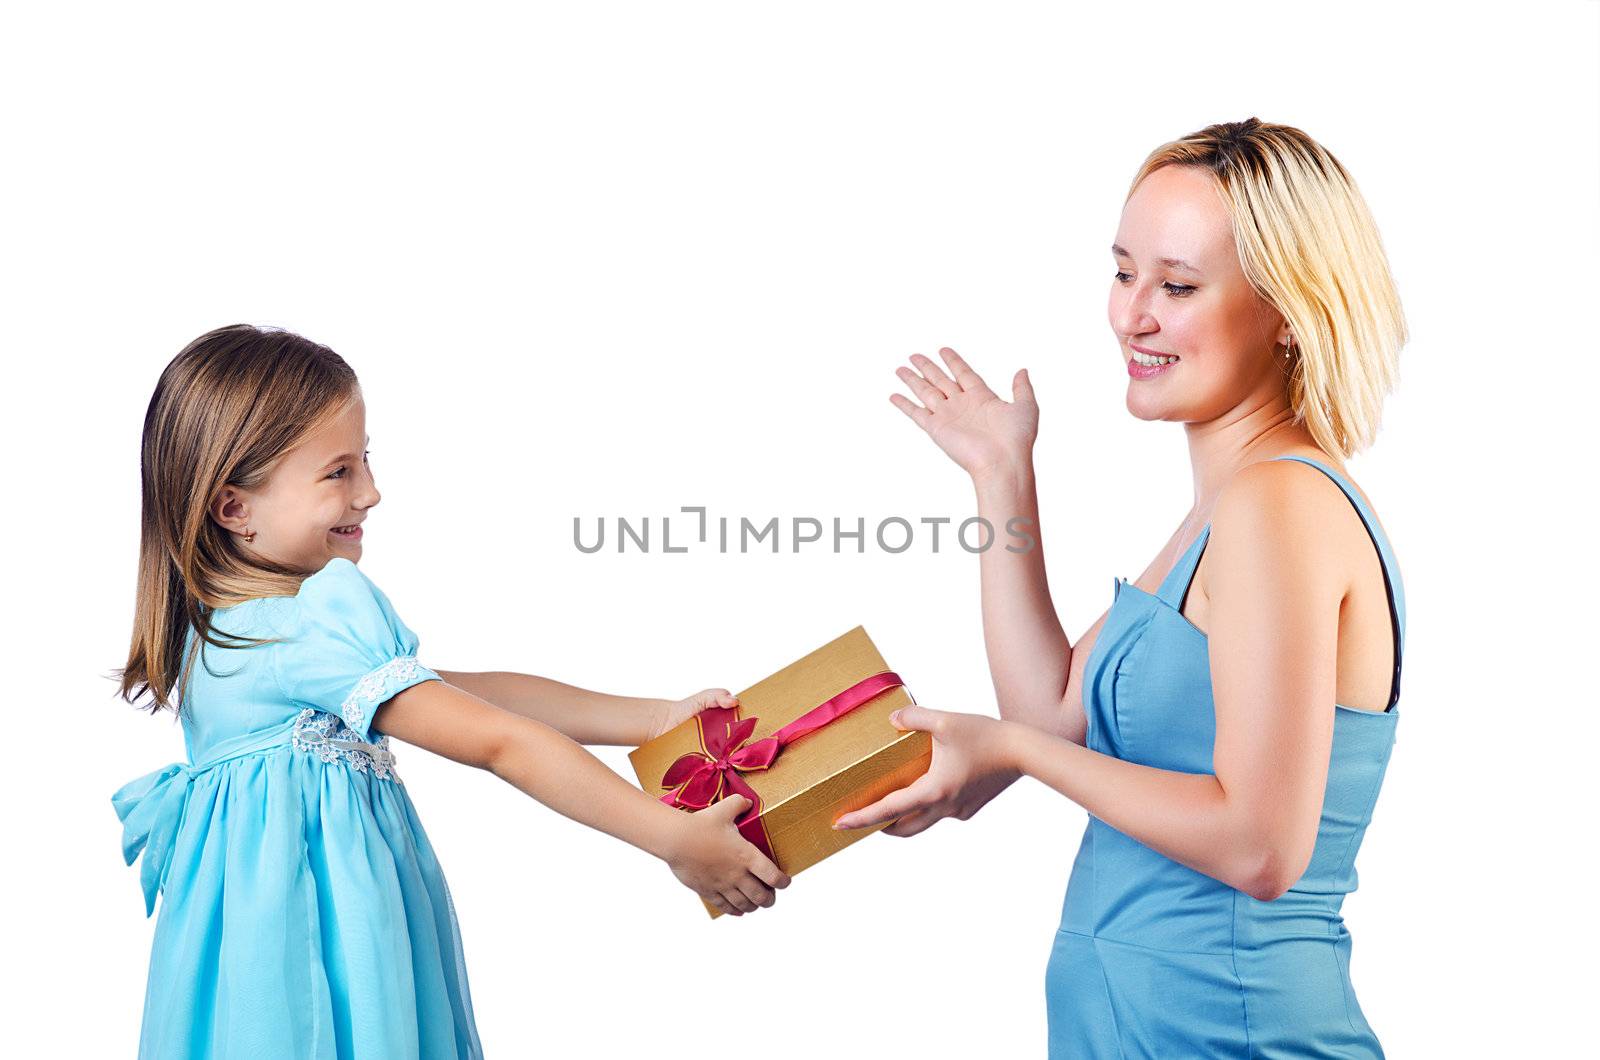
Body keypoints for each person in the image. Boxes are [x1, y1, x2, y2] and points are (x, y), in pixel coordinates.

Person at [835, 117, 1408, 1057]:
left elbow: (1262, 849)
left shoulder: (1278, 505)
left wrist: (1010, 750)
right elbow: (1056, 714)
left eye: (1177, 286)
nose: (1132, 315)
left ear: (1288, 312)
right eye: (1123, 271)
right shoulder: (1225, 509)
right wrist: (1001, 479)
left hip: (1230, 1032)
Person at [110, 324, 789, 1058]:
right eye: (338, 471)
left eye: (365, 460)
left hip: (247, 978)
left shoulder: (220, 636)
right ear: (233, 508)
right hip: (320, 959)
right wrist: (671, 837)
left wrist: (655, 718)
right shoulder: (313, 624)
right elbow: (499, 741)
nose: (370, 491)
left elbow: (479, 700)